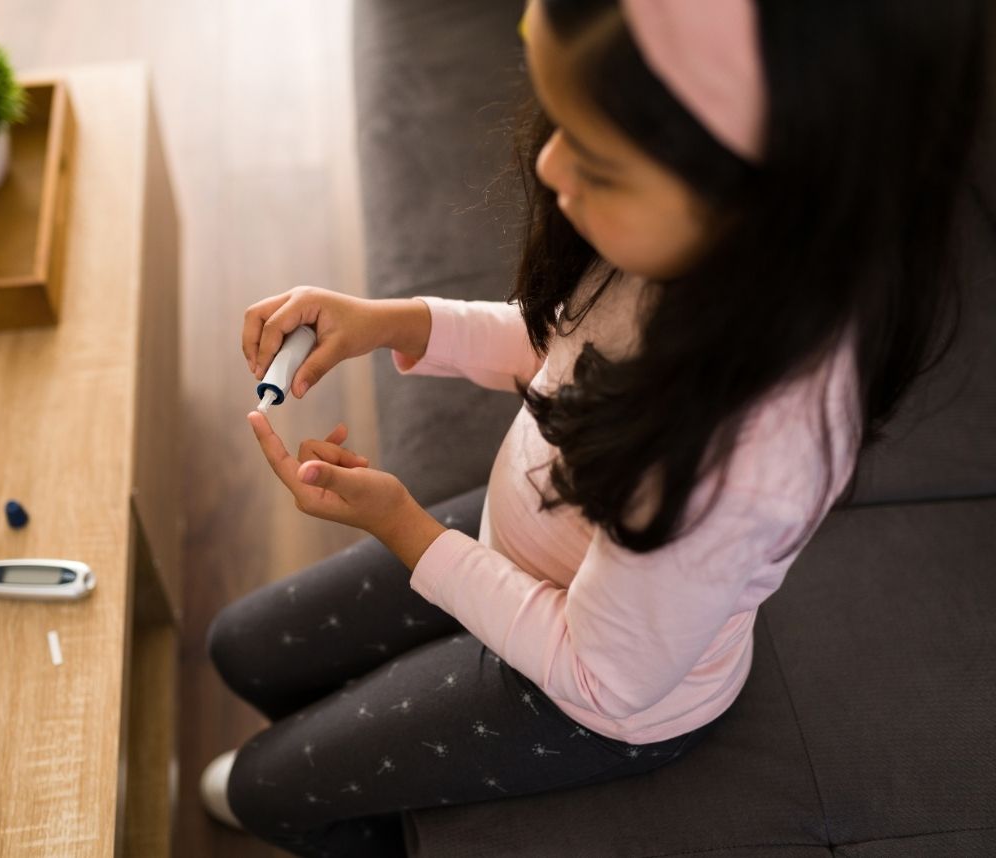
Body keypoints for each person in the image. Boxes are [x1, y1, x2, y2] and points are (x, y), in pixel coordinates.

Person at [202, 0, 990, 855]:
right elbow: (572, 348)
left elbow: (604, 677)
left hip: (590, 695)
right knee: (244, 650)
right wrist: (395, 321)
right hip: (528, 541)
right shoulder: (689, 256)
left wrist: (405, 528)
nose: (547, 164)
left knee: (263, 790)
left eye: (599, 161)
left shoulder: (746, 461)